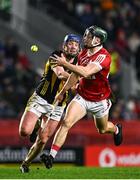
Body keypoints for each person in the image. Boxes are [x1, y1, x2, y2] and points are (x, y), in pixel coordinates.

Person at [40, 25, 123, 169]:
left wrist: (65, 63)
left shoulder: (104, 57)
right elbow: (75, 75)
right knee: (66, 122)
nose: (85, 38)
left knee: (102, 129)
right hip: (83, 97)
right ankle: (51, 156)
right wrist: (63, 91)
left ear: (97, 40)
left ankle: (116, 129)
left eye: (88, 36)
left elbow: (85, 72)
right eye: (86, 35)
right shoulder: (83, 53)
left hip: (100, 100)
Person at [19, 34, 81, 173]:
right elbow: (60, 74)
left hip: (59, 105)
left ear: (78, 48)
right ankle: (35, 125)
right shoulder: (56, 56)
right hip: (41, 98)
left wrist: (77, 82)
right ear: (64, 46)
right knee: (24, 132)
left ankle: (26, 163)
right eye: (70, 43)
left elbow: (72, 87)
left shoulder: (79, 64)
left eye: (76, 45)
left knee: (42, 140)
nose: (72, 46)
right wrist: (81, 78)